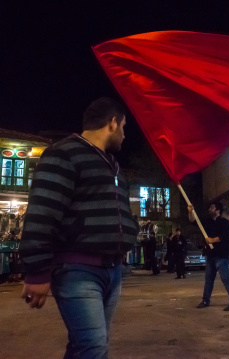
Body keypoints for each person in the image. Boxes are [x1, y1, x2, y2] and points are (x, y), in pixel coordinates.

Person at [19, 97, 139, 358]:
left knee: (87, 345)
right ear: (113, 122)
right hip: (77, 269)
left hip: (113, 270)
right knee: (93, 347)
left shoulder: (115, 166)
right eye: (124, 127)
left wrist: (130, 229)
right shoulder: (64, 153)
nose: (124, 134)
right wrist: (37, 273)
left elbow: (121, 212)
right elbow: (42, 213)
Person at [189, 203, 229, 311]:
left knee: (226, 279)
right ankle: (205, 300)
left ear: (218, 210)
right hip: (210, 255)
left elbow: (225, 236)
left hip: (221, 256)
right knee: (208, 280)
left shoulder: (225, 223)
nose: (209, 209)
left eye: (212, 208)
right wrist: (190, 211)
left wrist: (213, 239)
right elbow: (193, 221)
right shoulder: (207, 222)